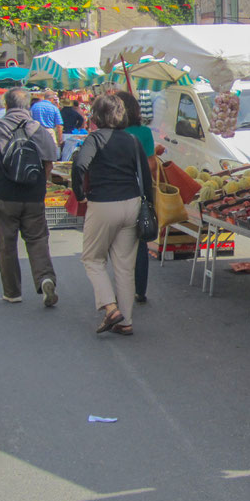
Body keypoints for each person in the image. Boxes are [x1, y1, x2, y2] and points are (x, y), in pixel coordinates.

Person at [71, 94, 152, 336]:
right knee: (125, 266)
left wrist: (79, 193)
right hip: (132, 203)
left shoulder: (95, 139)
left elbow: (79, 166)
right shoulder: (132, 139)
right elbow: (145, 177)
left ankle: (110, 307)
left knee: (92, 259)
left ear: (96, 116)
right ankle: (125, 322)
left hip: (104, 203)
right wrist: (149, 207)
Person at [0, 87, 59, 306]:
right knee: (38, 240)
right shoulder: (38, 128)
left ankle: (12, 292)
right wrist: (39, 184)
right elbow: (50, 162)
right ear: (28, 106)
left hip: (6, 194)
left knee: (6, 243)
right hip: (34, 195)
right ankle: (45, 279)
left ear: (6, 105)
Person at [116, 91, 155, 304]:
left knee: (118, 245)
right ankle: (139, 290)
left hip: (113, 194)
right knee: (139, 242)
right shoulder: (144, 133)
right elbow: (151, 165)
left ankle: (122, 288)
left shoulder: (109, 134)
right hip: (138, 193)